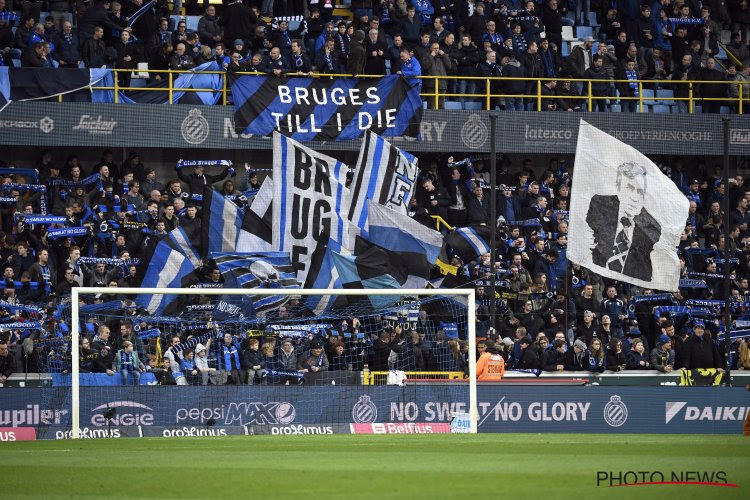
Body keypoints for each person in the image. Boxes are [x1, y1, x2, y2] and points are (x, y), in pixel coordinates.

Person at [586, 161, 661, 281]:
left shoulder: (652, 227)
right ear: (618, 187)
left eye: (640, 192)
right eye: (629, 188)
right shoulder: (599, 205)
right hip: (599, 277)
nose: (635, 198)